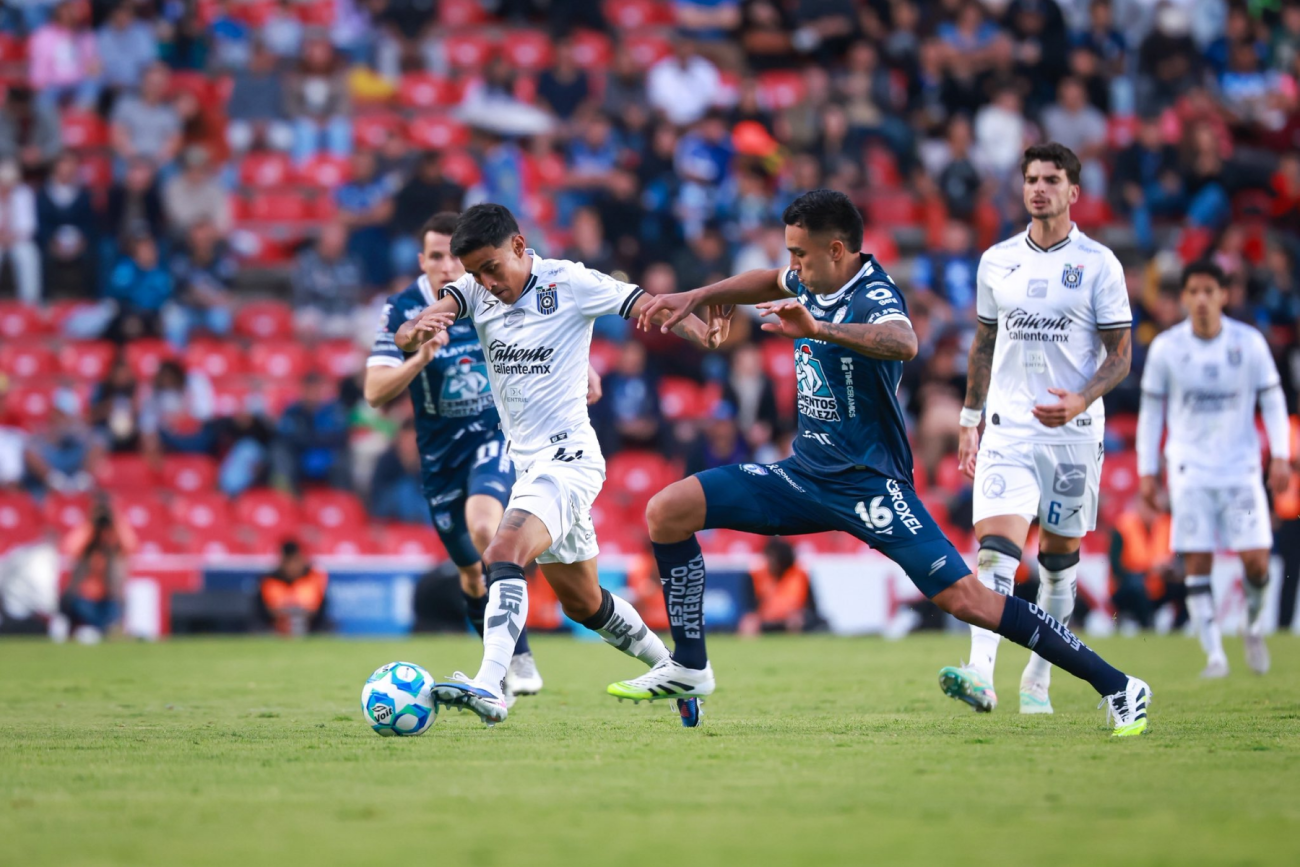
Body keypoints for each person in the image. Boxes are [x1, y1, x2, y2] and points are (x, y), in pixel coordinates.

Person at [622, 188, 1151, 737]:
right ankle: (689, 665)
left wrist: (818, 329)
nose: (793, 266)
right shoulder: (812, 276)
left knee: (966, 598)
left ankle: (1119, 685)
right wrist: (700, 293)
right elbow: (766, 279)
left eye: (800, 254)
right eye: (791, 253)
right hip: (803, 476)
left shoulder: (874, 295)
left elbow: (905, 342)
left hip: (870, 486)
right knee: (668, 510)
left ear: (836, 250)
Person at [393, 203, 721, 725]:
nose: (487, 282)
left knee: (502, 550)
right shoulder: (474, 290)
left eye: (492, 268)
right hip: (530, 466)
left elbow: (646, 305)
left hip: (569, 457)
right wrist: (417, 329)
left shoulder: (569, 282)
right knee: (583, 603)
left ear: (520, 247)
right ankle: (677, 674)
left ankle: (490, 685)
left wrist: (701, 335)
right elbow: (441, 311)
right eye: (475, 272)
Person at [948, 143, 1135, 715]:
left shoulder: (1100, 263)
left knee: (1057, 563)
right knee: (997, 554)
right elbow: (983, 343)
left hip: (1074, 434)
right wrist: (969, 419)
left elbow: (1121, 355)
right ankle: (980, 673)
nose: (1039, 188)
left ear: (1073, 192)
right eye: (1031, 178)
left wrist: (1081, 397)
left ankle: (1040, 672)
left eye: (1051, 179)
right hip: (1008, 428)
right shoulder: (997, 260)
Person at [364, 212, 544, 701]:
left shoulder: (490, 295)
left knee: (487, 528)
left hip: (492, 435)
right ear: (423, 261)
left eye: (453, 256)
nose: (447, 267)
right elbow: (375, 392)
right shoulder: (403, 308)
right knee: (469, 571)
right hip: (440, 456)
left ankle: (519, 655)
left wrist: (583, 374)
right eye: (436, 256)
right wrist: (419, 357)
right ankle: (497, 674)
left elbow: (544, 337)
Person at [1136, 261, 1293, 677]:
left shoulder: (1249, 344)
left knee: (1257, 562)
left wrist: (1279, 455)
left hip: (1240, 473)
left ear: (1224, 295)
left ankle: (1254, 625)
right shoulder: (1168, 348)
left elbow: (1273, 402)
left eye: (1209, 290)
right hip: (1189, 471)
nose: (1201, 299)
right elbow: (1151, 414)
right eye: (1194, 291)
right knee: (1197, 562)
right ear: (1184, 297)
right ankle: (1214, 655)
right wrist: (1147, 471)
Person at [60, 499, 133, 643]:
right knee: (79, 606)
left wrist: (115, 520)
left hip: (108, 600)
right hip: (84, 600)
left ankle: (103, 631)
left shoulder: (113, 547)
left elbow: (131, 546)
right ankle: (103, 631)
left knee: (115, 607)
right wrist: (91, 523)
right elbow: (69, 547)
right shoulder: (86, 547)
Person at [259, 540, 329, 635]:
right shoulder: (270, 581)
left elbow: (316, 610)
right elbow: (266, 611)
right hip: (275, 631)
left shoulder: (314, 577)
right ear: (282, 561)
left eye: (295, 561)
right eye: (288, 561)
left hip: (310, 630)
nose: (292, 567)